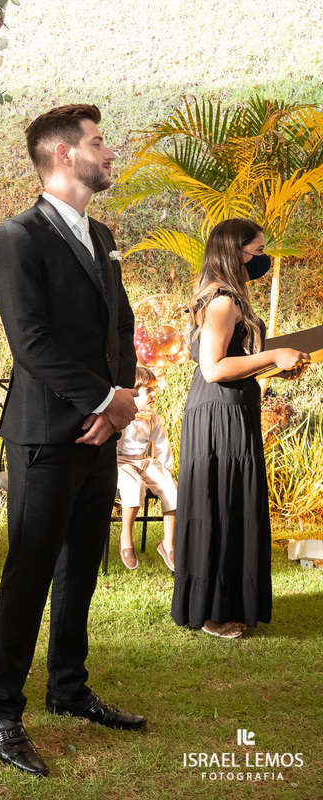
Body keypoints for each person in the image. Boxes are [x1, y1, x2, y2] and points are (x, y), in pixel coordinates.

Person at [0, 104, 146, 778]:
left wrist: (117, 410)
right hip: (45, 437)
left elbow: (123, 331)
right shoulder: (17, 236)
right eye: (99, 143)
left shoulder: (103, 235)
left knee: (83, 565)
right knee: (30, 572)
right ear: (61, 155)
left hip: (96, 436)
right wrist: (105, 400)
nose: (110, 152)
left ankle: (69, 688)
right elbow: (31, 343)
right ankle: (0, 714)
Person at [170, 219, 310, 639]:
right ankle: (212, 612)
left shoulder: (222, 293)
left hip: (231, 405)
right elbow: (213, 368)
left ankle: (221, 603)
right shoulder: (222, 301)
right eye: (258, 250)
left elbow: (235, 358)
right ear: (235, 252)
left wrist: (276, 366)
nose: (263, 258)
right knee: (220, 504)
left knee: (228, 503)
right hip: (219, 412)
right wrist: (277, 353)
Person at [116, 365, 177, 571]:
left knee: (171, 486)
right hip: (120, 462)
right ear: (133, 393)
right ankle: (126, 538)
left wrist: (165, 473)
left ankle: (168, 543)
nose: (154, 394)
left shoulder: (153, 418)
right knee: (134, 485)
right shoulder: (121, 416)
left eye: (154, 389)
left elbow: (162, 446)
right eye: (148, 390)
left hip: (142, 461)